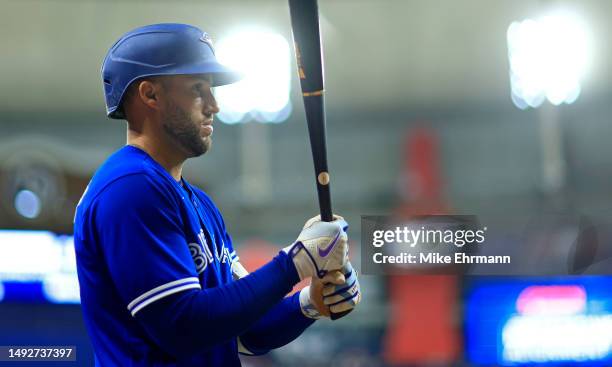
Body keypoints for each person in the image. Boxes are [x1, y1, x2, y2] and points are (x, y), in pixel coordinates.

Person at [73, 23, 361, 366]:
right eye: (198, 89)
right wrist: (296, 261)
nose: (214, 106)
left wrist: (310, 303)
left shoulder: (197, 202)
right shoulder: (130, 187)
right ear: (150, 95)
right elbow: (182, 327)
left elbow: (248, 331)